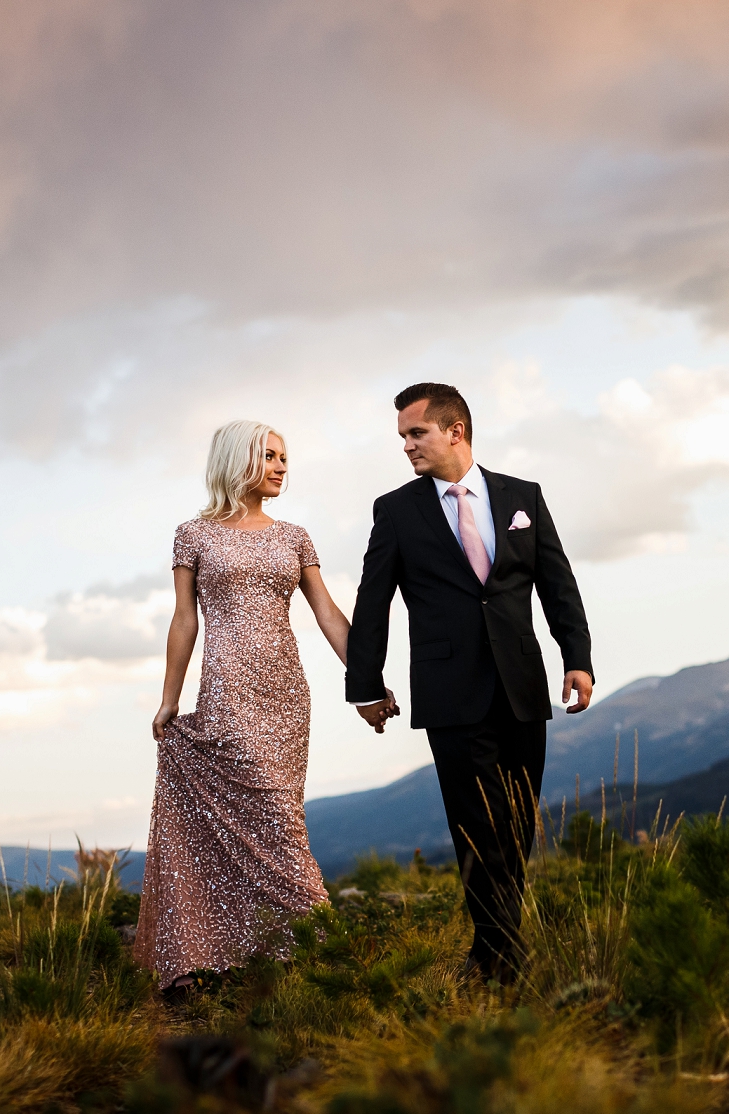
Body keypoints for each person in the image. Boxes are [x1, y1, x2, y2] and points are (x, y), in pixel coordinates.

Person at [135, 420, 395, 992]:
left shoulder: (294, 535)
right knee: (270, 824)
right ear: (238, 461)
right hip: (227, 689)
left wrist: (367, 684)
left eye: (285, 458)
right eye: (270, 456)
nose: (281, 467)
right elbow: (185, 619)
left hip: (285, 694)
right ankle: (324, 948)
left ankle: (273, 958)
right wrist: (169, 699)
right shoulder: (193, 534)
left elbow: (328, 614)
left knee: (281, 818)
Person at [346, 383, 593, 983]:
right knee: (477, 828)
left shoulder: (522, 496)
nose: (406, 446)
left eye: (416, 433)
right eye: (403, 437)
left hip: (523, 688)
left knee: (514, 823)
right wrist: (366, 685)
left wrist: (577, 659)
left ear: (455, 430)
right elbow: (372, 601)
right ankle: (508, 962)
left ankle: (487, 954)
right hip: (449, 693)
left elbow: (557, 584)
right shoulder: (396, 511)